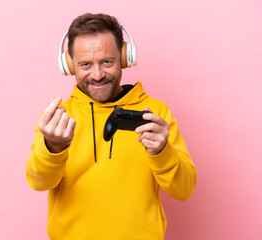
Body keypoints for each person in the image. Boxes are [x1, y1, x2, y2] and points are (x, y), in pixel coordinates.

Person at [25, 13, 197, 240]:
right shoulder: (57, 120)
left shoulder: (156, 115)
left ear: (125, 57)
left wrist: (162, 153)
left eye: (107, 62)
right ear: (69, 65)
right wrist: (53, 148)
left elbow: (184, 190)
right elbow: (38, 182)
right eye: (85, 64)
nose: (97, 75)